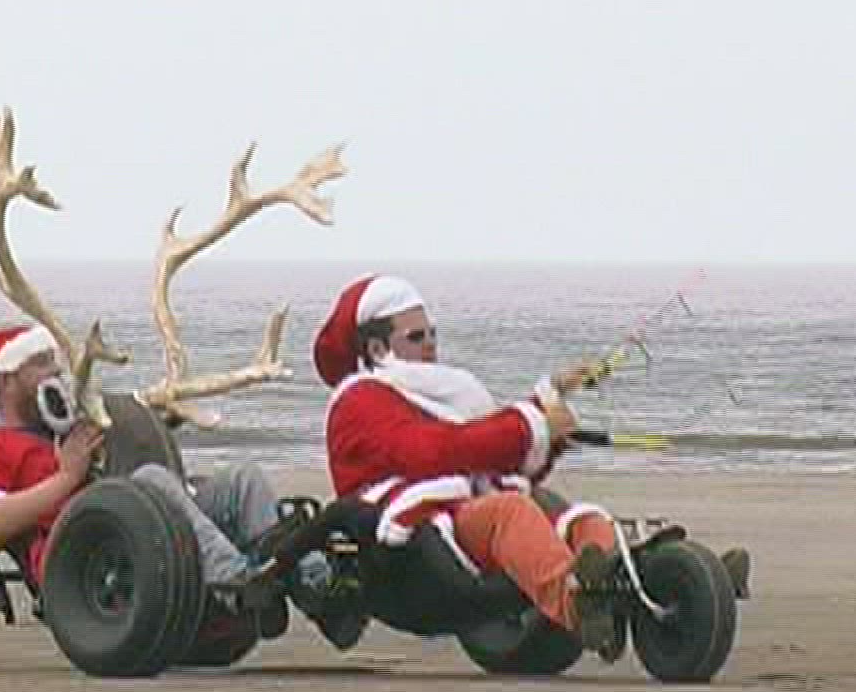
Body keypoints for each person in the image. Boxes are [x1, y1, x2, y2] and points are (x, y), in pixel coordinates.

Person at [313, 274, 749, 657]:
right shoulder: (360, 399)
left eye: (432, 334)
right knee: (511, 511)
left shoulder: (435, 392)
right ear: (377, 348)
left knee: (585, 520)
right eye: (416, 337)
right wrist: (533, 425)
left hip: (460, 515)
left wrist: (551, 408)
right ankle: (579, 604)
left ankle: (664, 586)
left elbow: (493, 454)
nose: (430, 344)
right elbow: (435, 452)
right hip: (416, 531)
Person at [0, 324, 347, 646]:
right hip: (87, 559)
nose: (57, 373)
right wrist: (67, 477)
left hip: (141, 535)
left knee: (242, 480)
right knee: (151, 480)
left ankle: (318, 586)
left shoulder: (74, 430)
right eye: (41, 363)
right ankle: (239, 587)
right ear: (5, 382)